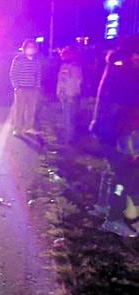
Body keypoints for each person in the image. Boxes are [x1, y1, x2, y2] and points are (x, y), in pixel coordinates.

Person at [89, 35, 139, 237]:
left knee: (111, 170)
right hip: (116, 131)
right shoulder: (125, 71)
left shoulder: (117, 66)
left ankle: (103, 205)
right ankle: (114, 218)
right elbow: (129, 100)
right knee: (124, 174)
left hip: (108, 128)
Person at [10, 39, 43, 136]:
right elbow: (13, 73)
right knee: (19, 110)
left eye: (32, 47)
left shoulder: (36, 61)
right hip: (21, 89)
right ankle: (17, 129)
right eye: (29, 47)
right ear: (24, 48)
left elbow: (38, 75)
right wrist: (16, 86)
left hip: (32, 89)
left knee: (31, 110)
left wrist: (37, 87)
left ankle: (28, 128)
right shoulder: (18, 59)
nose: (31, 49)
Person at [56, 46, 83, 142]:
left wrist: (70, 95)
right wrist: (59, 92)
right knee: (68, 117)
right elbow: (61, 81)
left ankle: (69, 138)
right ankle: (69, 136)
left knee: (69, 117)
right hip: (67, 95)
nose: (62, 56)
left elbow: (74, 82)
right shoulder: (65, 66)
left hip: (70, 96)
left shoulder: (73, 67)